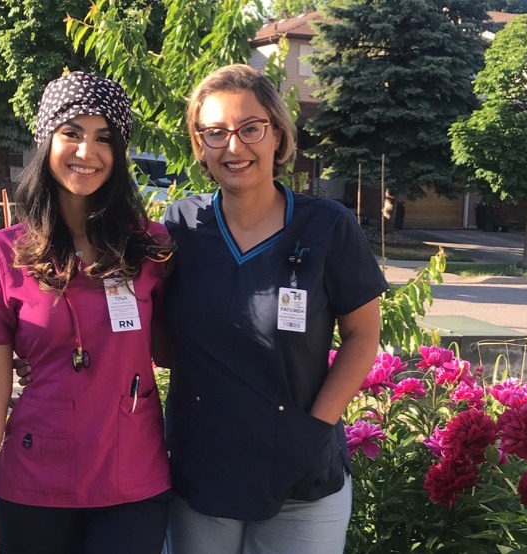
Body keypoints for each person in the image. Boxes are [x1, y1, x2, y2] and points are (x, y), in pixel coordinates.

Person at [160, 63, 389, 554]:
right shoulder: (180, 228)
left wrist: (313, 430)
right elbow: (151, 332)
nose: (234, 146)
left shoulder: (327, 226)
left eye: (250, 128)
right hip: (204, 467)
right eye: (216, 133)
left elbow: (363, 336)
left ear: (278, 135)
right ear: (200, 145)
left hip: (302, 471)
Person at [0, 71, 172, 554]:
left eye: (103, 138)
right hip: (34, 482)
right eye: (71, 132)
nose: (86, 152)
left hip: (132, 481)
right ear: (46, 139)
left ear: (119, 154)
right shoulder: (2, 253)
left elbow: (176, 347)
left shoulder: (151, 246)